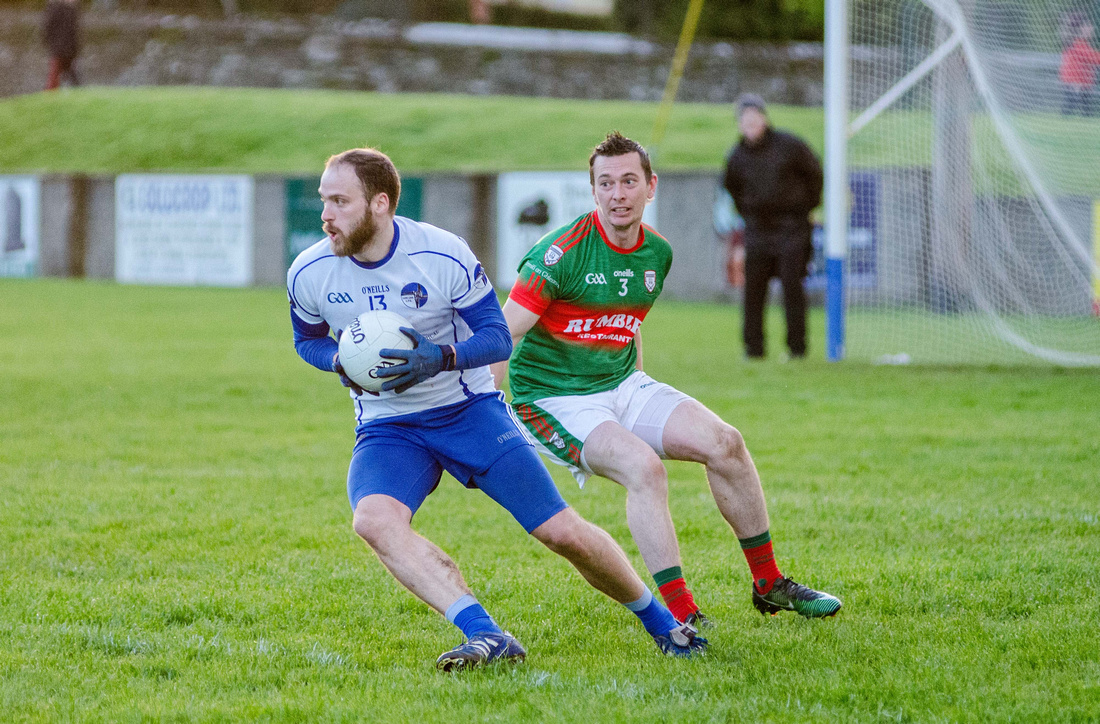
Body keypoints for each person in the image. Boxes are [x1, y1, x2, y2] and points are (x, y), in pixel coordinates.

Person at [287, 148, 706, 671]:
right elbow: (307, 340)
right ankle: (484, 633)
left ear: (380, 203)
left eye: (339, 201)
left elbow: (496, 337)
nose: (326, 214)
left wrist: (439, 358)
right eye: (324, 200)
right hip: (388, 426)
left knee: (560, 532)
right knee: (373, 521)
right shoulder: (310, 269)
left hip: (468, 411)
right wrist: (339, 361)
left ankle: (662, 622)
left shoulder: (441, 253)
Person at [493, 132, 841, 627]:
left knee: (726, 444)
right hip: (553, 400)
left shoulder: (657, 254)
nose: (618, 194)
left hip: (621, 385)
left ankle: (769, 583)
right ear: (593, 191)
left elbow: (627, 324)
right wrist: (483, 408)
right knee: (645, 470)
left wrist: (636, 395)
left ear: (650, 187)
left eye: (629, 181)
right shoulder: (558, 254)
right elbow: (503, 333)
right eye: (606, 183)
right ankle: (682, 617)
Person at [723, 93, 822, 360]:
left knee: (792, 286)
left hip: (792, 228)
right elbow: (731, 188)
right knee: (753, 289)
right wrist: (750, 213)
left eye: (755, 118)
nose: (750, 124)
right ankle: (753, 349)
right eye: (745, 119)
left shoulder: (790, 146)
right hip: (757, 229)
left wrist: (805, 207)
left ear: (764, 119)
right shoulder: (737, 156)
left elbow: (815, 173)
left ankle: (797, 348)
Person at [1060, 14, 1100, 116]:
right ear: (1081, 29)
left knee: (1079, 106)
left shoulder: (1077, 43)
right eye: (1089, 26)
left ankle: (1069, 117)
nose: (1092, 29)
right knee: (1073, 106)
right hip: (1076, 82)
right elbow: (1094, 57)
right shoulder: (1078, 44)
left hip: (1079, 82)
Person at [42, 0, 81, 91]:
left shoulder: (71, 9)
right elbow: (47, 28)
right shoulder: (57, 8)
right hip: (59, 48)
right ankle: (50, 95)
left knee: (71, 73)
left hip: (68, 49)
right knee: (55, 74)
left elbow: (74, 33)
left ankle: (77, 91)